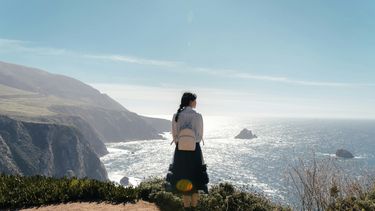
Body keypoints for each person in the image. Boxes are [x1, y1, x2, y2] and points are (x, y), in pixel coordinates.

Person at [166, 92, 209, 210]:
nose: (196, 103)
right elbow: (199, 136)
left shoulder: (176, 115)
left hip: (180, 152)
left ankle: (186, 208)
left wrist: (182, 144)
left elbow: (175, 136)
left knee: (184, 180)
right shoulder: (198, 116)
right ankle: (194, 208)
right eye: (195, 100)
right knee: (196, 180)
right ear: (191, 101)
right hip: (194, 151)